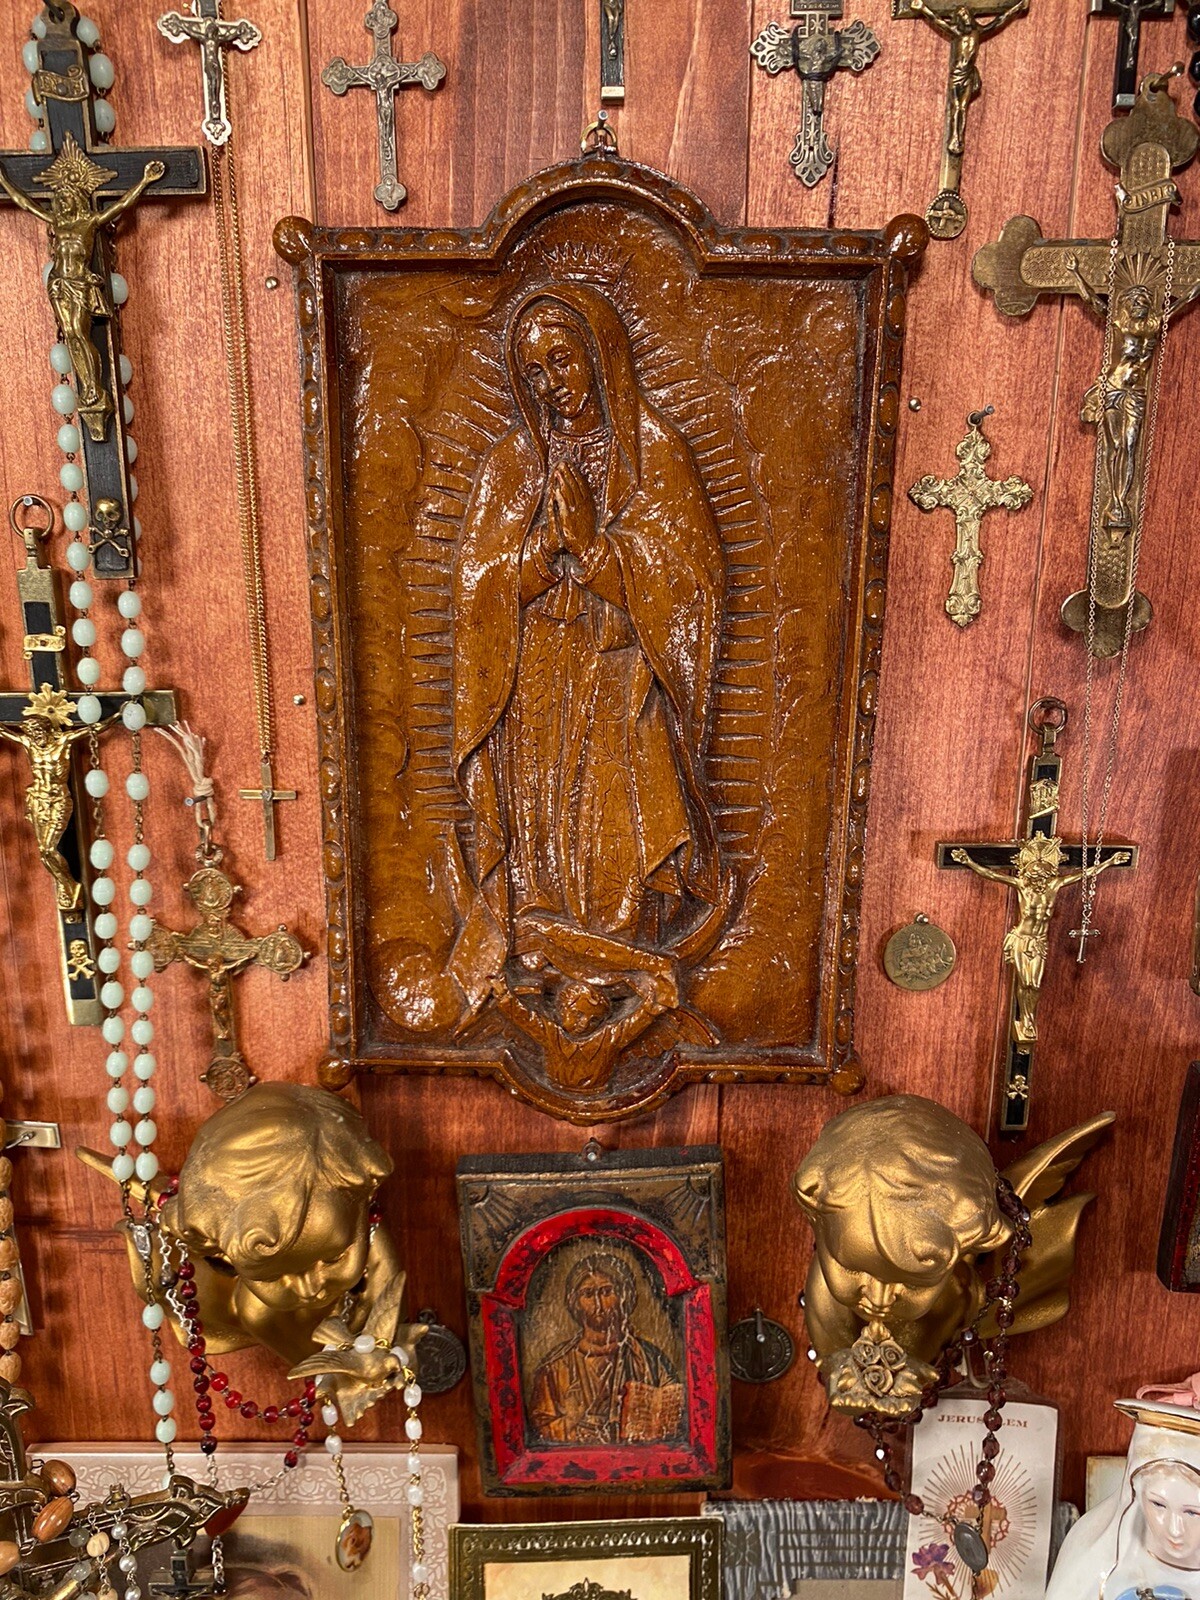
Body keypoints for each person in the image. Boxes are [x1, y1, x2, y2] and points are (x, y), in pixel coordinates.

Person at [450, 283, 726, 1067]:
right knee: (541, 822)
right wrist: (539, 557)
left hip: (620, 677)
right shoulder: (513, 464)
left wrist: (603, 555)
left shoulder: (654, 452)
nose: (550, 384)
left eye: (563, 361)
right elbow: (474, 588)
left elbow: (695, 586)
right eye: (533, 371)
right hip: (536, 677)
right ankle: (548, 942)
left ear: (600, 357)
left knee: (613, 822)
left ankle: (617, 944)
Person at [1046, 1392, 1200, 1598]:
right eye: (1158, 1504)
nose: (1175, 1530)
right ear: (1135, 1493)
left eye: (1193, 1512)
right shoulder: (1094, 1550)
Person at [528, 1251, 681, 1444]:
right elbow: (541, 1427)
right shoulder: (555, 1367)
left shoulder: (651, 1360)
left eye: (607, 1292)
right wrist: (576, 1426)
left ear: (624, 1296)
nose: (598, 1304)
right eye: (588, 1294)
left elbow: (674, 1416)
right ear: (575, 1301)